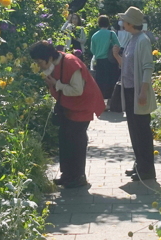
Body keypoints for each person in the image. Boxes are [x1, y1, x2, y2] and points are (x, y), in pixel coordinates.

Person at [29, 40, 105, 189]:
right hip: (69, 106)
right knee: (64, 139)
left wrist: (57, 85)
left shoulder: (70, 63)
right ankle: (67, 175)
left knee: (76, 141)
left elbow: (77, 90)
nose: (39, 66)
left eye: (39, 62)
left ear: (49, 58)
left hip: (82, 106)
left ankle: (78, 177)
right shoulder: (55, 63)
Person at [118, 6, 157, 181]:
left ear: (130, 23)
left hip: (137, 91)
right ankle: (140, 164)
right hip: (128, 89)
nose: (122, 23)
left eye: (124, 20)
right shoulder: (131, 39)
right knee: (134, 130)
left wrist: (143, 91)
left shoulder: (143, 40)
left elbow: (148, 67)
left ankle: (147, 169)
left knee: (142, 130)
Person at [89, 15, 122, 103]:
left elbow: (92, 50)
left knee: (100, 81)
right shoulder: (111, 33)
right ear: (108, 23)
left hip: (99, 61)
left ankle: (101, 101)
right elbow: (118, 46)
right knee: (111, 81)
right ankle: (110, 101)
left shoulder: (94, 36)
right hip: (110, 61)